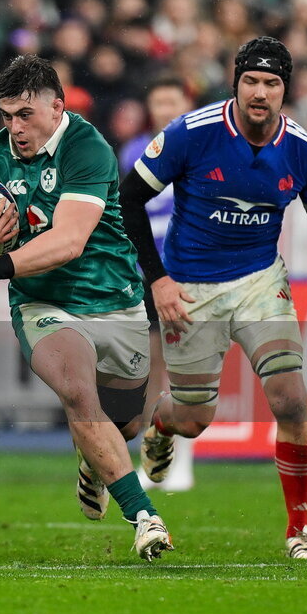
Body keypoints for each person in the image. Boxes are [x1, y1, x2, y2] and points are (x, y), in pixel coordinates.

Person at [0, 54, 173, 561]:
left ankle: (92, 458)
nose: (15, 128)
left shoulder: (88, 148)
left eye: (26, 115)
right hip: (44, 304)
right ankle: (145, 517)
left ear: (57, 108)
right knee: (79, 392)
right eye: (7, 115)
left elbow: (70, 241)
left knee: (123, 425)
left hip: (115, 299)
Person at [119, 37, 307, 559]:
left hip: (259, 280)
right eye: (251, 80)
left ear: (284, 91)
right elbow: (129, 198)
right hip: (189, 286)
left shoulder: (304, 149)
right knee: (193, 419)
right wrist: (156, 279)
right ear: (236, 83)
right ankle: (161, 426)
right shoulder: (192, 133)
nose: (260, 92)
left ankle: (299, 533)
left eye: (272, 83)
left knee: (292, 400)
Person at [120, 75, 197, 492]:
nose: (164, 108)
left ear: (185, 103)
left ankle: (184, 459)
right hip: (146, 272)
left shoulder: (199, 147)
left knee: (184, 367)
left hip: (188, 272)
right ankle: (154, 459)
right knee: (150, 368)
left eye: (172, 100)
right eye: (158, 101)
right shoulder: (134, 151)